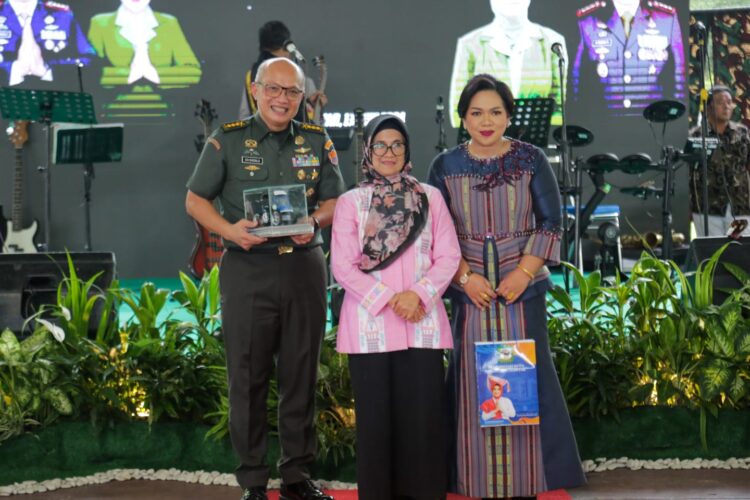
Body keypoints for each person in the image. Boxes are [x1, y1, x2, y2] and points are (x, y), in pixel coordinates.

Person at [186, 57, 345, 500]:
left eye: (291, 92)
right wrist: (229, 231)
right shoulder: (229, 140)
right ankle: (253, 481)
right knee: (248, 377)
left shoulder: (316, 140)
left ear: (300, 97)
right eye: (273, 89)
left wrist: (313, 222)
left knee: (301, 373)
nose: (282, 99)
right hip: (247, 269)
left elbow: (336, 200)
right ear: (255, 90)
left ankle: (296, 476)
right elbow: (195, 200)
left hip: (303, 267)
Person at [427, 74, 585, 498]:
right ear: (463, 117)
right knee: (469, 380)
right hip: (470, 291)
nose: (486, 121)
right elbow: (436, 233)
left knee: (524, 378)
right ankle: (472, 479)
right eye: (476, 112)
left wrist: (523, 272)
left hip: (523, 290)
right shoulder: (445, 166)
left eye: (496, 112)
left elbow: (553, 222)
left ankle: (527, 481)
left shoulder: (532, 159)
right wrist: (464, 276)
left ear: (509, 115)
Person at [331, 115, 461, 500]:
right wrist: (389, 299)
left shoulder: (429, 197)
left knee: (423, 423)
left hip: (422, 324)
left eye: (397, 145)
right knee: (376, 426)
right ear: (368, 152)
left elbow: (449, 256)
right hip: (370, 329)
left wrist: (419, 294)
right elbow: (342, 266)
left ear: (407, 151)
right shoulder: (351, 203)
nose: (389, 153)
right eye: (381, 146)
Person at [448, 0, 567, 128]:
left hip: (534, 142)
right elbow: (458, 111)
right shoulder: (470, 44)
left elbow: (558, 109)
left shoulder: (553, 42)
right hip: (485, 140)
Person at [572, 0, 685, 115]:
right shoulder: (587, 21)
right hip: (604, 123)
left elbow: (679, 78)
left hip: (653, 122)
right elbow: (576, 81)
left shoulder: (666, 19)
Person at [88, 0, 201, 87]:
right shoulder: (100, 23)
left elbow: (193, 71)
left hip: (166, 109)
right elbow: (90, 73)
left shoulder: (169, 23)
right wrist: (130, 74)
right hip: (113, 109)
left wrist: (155, 74)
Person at [689, 85, 750, 237]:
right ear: (709, 106)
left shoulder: (742, 133)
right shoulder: (697, 135)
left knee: (741, 254)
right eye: (720, 102)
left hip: (740, 205)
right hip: (708, 207)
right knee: (712, 254)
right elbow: (690, 172)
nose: (726, 106)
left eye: (729, 102)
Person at [238, 20, 326, 123]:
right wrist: (312, 106)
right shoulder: (298, 79)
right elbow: (311, 126)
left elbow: (244, 116)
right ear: (287, 45)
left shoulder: (251, 76)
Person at [0, 0, 96, 86]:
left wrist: (48, 71)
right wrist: (13, 70)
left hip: (53, 97)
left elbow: (88, 59)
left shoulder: (62, 15)